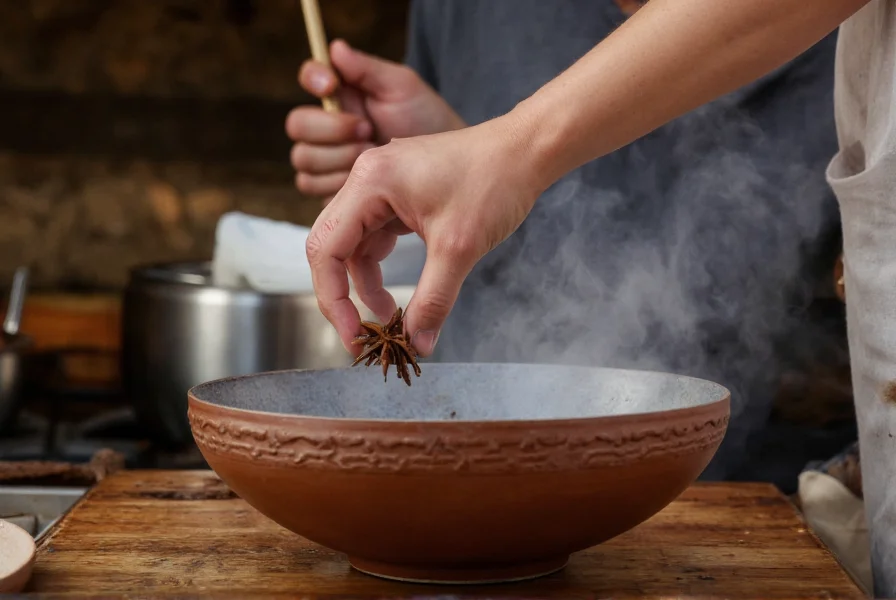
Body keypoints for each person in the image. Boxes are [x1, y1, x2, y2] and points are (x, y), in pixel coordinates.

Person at [288, 0, 896, 592]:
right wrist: (451, 144)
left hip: (783, 503)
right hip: (458, 504)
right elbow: (539, 232)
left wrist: (508, 149)